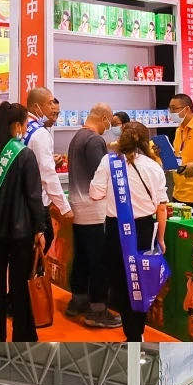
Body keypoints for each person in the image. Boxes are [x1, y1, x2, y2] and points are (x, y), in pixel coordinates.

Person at [0, 101, 45, 342]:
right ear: (16, 125)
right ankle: (23, 336)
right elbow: (34, 196)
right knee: (20, 287)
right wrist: (39, 228)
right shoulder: (24, 154)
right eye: (24, 124)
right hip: (20, 234)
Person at [89, 119, 168, 341]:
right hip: (144, 230)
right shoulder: (154, 166)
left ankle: (130, 333)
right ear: (146, 142)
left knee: (120, 281)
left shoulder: (109, 161)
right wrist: (161, 239)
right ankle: (137, 332)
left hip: (116, 231)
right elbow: (161, 207)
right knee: (142, 280)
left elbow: (95, 193)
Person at [65, 102, 121, 329]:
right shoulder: (95, 140)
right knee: (99, 261)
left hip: (78, 208)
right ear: (104, 117)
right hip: (95, 210)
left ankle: (78, 300)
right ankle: (97, 310)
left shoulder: (77, 137)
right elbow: (102, 176)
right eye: (110, 121)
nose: (110, 125)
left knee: (81, 257)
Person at [24, 87, 72, 251]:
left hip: (21, 200)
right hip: (37, 202)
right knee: (41, 245)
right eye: (50, 103)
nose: (53, 107)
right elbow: (47, 175)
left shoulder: (22, 127)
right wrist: (64, 207)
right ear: (36, 106)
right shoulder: (40, 134)